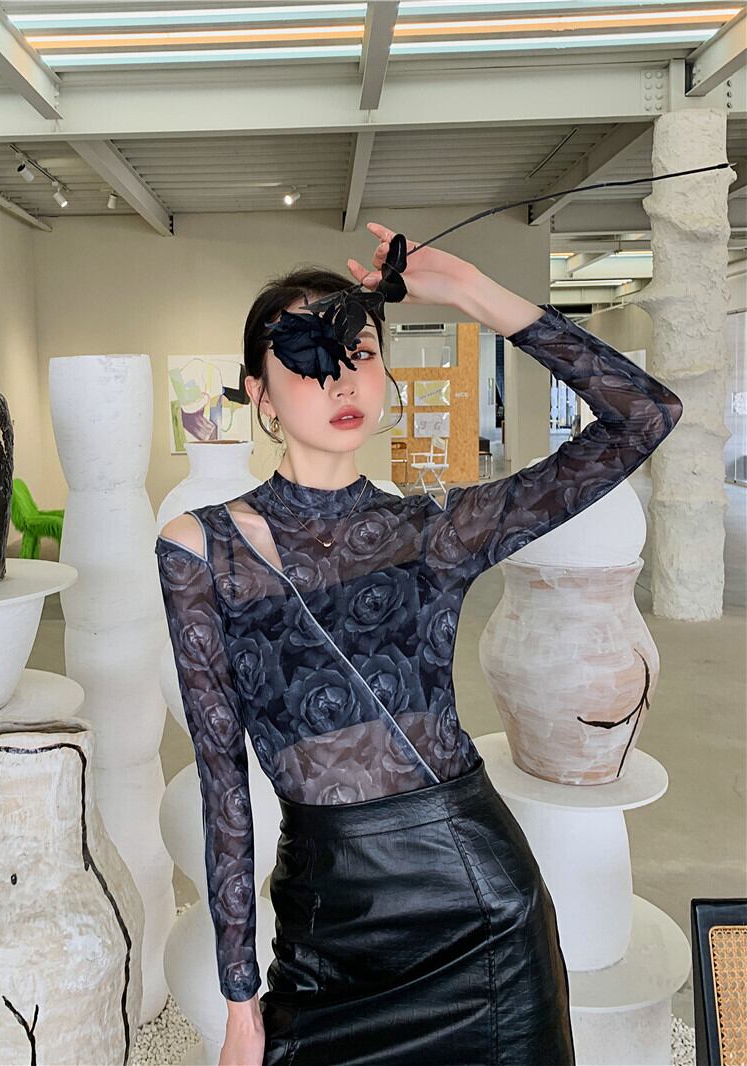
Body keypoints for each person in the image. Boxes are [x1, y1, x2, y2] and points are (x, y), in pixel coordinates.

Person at [155, 222, 683, 1066]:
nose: (341, 377)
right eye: (307, 358)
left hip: (480, 915)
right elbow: (223, 783)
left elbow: (645, 414)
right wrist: (240, 1007)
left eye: (361, 352)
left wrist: (472, 292)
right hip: (326, 931)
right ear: (260, 393)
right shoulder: (201, 547)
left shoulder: (435, 530)